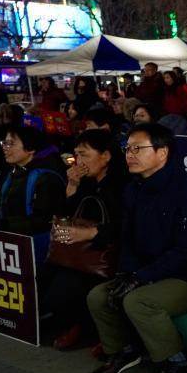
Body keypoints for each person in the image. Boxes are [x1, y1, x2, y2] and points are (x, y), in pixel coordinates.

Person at [87, 123, 187, 373]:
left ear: (162, 153)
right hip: (149, 272)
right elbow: (128, 239)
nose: (130, 154)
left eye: (138, 148)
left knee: (139, 301)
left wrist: (140, 278)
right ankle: (123, 351)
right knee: (99, 295)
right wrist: (126, 273)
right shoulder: (134, 189)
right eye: (128, 148)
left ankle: (179, 363)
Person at [42, 130, 127, 349]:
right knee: (48, 277)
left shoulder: (122, 183)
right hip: (81, 252)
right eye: (76, 155)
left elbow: (125, 224)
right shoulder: (86, 181)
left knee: (68, 288)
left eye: (85, 154)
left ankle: (95, 331)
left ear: (106, 156)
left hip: (111, 253)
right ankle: (78, 325)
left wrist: (93, 233)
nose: (79, 161)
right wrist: (71, 186)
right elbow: (67, 216)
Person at [0, 126, 66, 259]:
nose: (5, 147)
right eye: (4, 143)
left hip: (38, 249)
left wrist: (0, 224)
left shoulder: (46, 177)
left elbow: (44, 220)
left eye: (11, 143)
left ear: (31, 148)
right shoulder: (12, 173)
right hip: (12, 246)